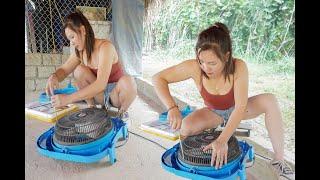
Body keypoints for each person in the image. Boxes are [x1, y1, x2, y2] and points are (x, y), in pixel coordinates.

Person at [152, 22, 294, 179]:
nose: (206, 67)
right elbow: (158, 78)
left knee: (270, 100)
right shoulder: (194, 67)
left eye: (212, 63)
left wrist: (222, 140)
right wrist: (172, 107)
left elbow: (240, 107)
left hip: (238, 108)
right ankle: (193, 167)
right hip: (213, 112)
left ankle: (278, 160)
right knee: (185, 127)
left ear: (226, 57)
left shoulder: (239, 66)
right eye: (201, 61)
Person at [46, 10, 137, 115]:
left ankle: (122, 114)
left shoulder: (105, 47)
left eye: (72, 37)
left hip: (114, 96)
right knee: (79, 70)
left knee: (129, 81)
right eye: (69, 39)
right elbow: (64, 70)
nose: (72, 43)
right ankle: (91, 108)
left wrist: (68, 99)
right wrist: (54, 76)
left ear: (83, 30)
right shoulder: (79, 52)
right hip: (99, 96)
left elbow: (101, 84)